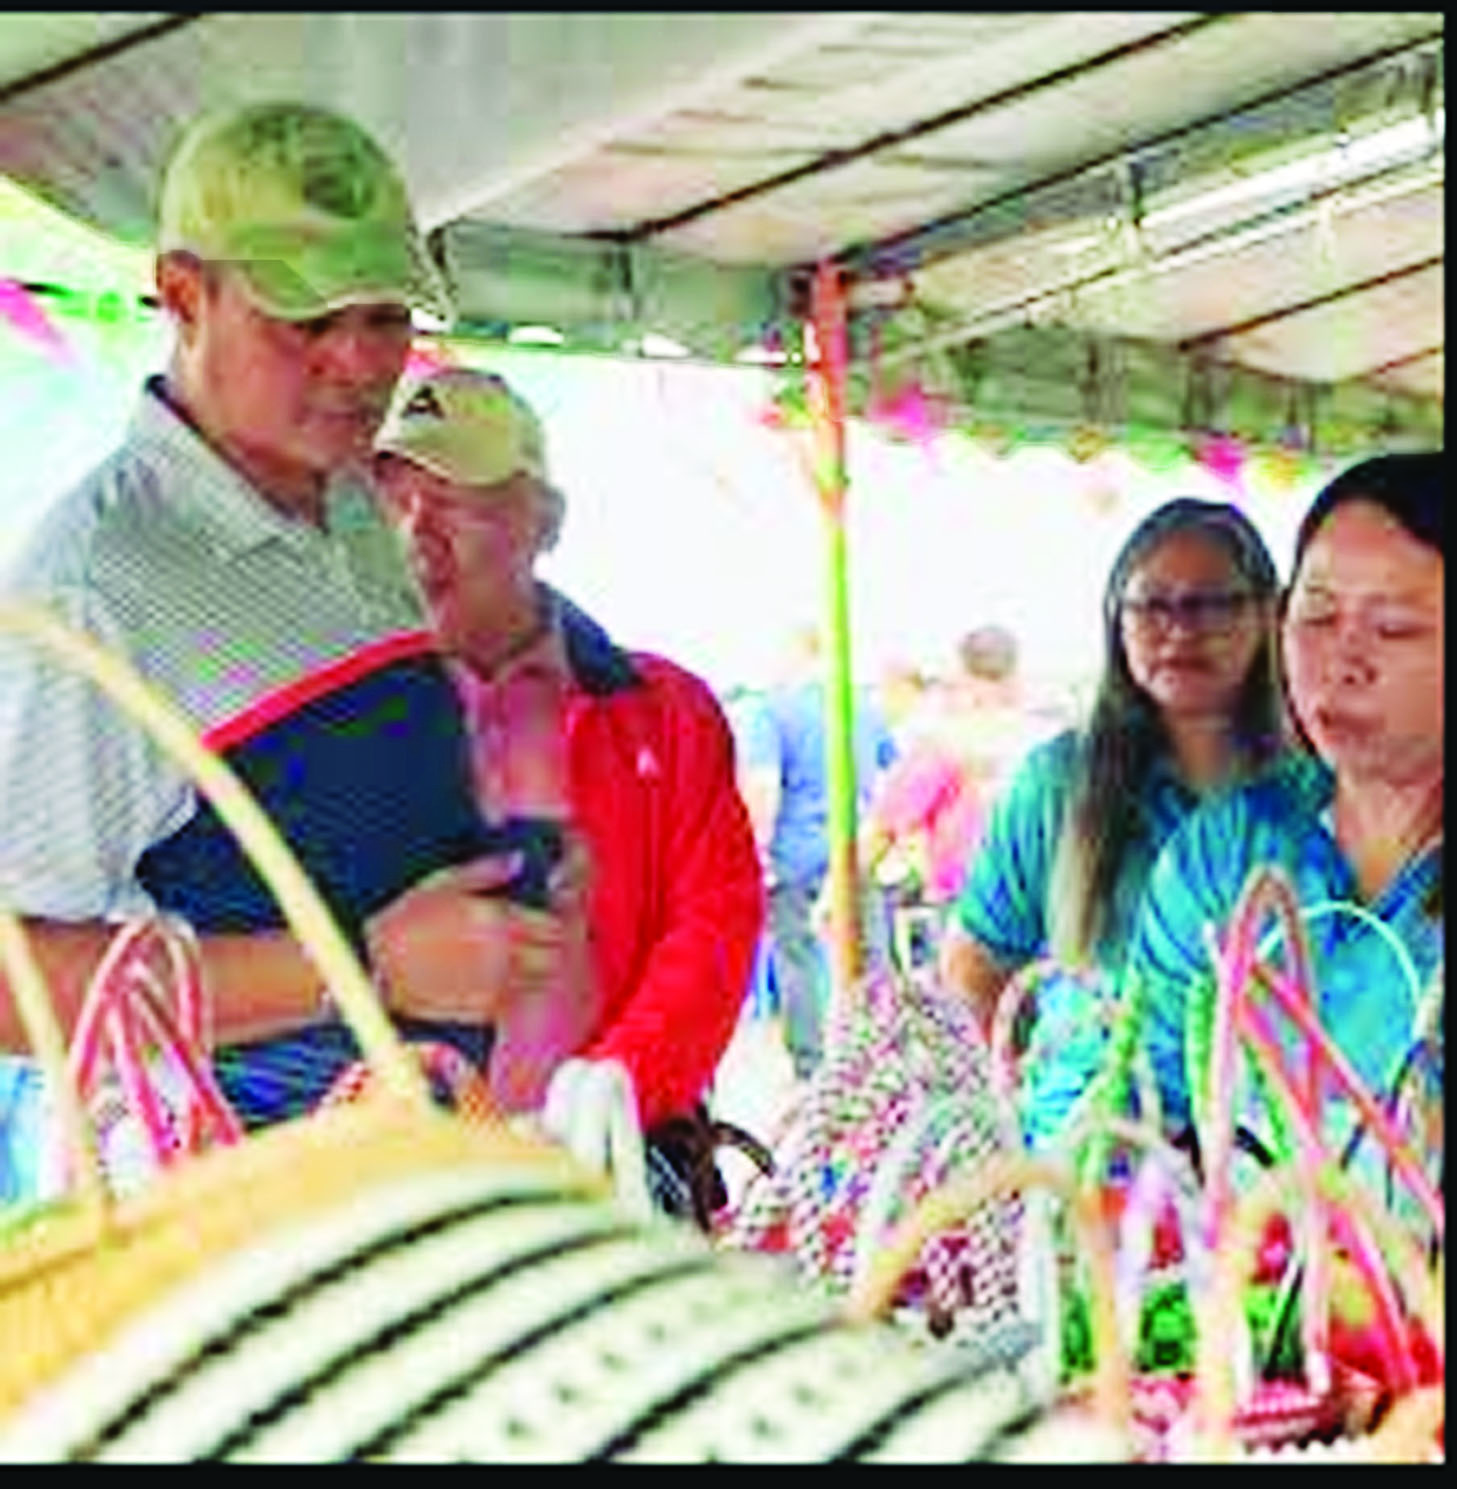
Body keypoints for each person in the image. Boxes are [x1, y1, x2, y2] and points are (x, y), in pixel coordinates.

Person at [0, 101, 552, 1201]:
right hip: (228, 1211)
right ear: (183, 295)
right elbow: (12, 982)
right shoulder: (98, 585)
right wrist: (365, 965)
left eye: (384, 314)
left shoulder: (352, 502)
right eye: (304, 317)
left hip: (407, 1170)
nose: (359, 360)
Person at [370, 365, 765, 1215]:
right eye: (390, 500)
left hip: (614, 1165)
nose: (413, 532)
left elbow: (713, 929)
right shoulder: (331, 721)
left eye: (455, 499)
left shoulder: (666, 711)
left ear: (546, 521)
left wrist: (604, 1098)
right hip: (392, 1176)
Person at [1127, 453, 1443, 1178]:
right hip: (1240, 1247)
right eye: (1317, 615)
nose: (1341, 661)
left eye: (1394, 627)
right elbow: (1131, 1092)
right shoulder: (1226, 852)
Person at [937, 498, 1285, 1145]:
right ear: (1115, 621)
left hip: (1270, 1151)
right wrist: (1003, 1121)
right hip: (1084, 1149)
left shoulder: (1314, 788)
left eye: (1211, 604)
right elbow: (973, 972)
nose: (1178, 630)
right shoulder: (1056, 783)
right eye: (1151, 606)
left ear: (1268, 614)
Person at [733, 623, 898, 1080]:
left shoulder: (769, 711)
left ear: (792, 654)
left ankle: (813, 1069)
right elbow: (892, 779)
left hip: (795, 856)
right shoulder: (862, 707)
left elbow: (764, 788)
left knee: (798, 959)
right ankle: (882, 1062)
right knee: (870, 957)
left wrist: (759, 852)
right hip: (856, 851)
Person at [861, 624, 1036, 970]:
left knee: (967, 999)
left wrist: (837, 894)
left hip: (967, 901)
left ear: (963, 676)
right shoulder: (1043, 740)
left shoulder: (943, 741)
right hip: (1040, 902)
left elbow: (884, 826)